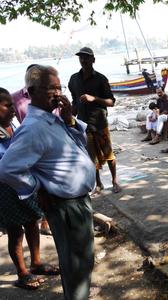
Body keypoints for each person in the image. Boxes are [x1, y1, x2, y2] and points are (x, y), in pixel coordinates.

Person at [0, 65, 96, 299]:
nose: (58, 93)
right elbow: (7, 168)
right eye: (51, 88)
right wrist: (37, 187)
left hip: (78, 201)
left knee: (82, 265)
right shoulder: (33, 128)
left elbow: (80, 144)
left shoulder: (54, 119)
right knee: (76, 266)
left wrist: (70, 119)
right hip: (66, 205)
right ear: (32, 91)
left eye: (59, 87)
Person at [0, 87, 60, 290]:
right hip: (6, 190)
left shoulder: (12, 126)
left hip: (25, 184)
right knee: (15, 231)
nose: (12, 109)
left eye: (12, 105)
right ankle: (22, 272)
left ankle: (36, 263)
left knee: (33, 222)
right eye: (7, 105)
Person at [68, 47, 121, 194]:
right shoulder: (73, 79)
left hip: (100, 123)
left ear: (93, 59)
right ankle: (98, 183)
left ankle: (114, 180)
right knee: (91, 156)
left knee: (108, 153)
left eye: (86, 57)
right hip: (83, 124)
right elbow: (74, 100)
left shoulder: (101, 79)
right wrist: (71, 110)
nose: (83, 60)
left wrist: (95, 99)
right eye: (81, 58)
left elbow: (111, 102)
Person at [11, 64, 52, 236]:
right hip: (30, 145)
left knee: (49, 184)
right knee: (39, 184)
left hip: (49, 143)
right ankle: (40, 218)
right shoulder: (15, 97)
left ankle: (46, 221)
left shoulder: (48, 95)